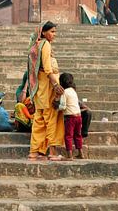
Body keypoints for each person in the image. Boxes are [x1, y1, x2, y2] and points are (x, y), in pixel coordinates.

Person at [27, 21, 65, 161]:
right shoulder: (46, 45)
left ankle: (35, 151)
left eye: (55, 32)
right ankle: (52, 152)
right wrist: (56, 85)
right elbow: (48, 69)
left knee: (39, 119)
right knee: (51, 119)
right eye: (52, 32)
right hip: (48, 87)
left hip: (38, 88)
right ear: (43, 32)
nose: (53, 35)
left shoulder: (36, 45)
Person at [56, 73, 84, 160]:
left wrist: (57, 108)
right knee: (78, 135)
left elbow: (63, 107)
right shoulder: (73, 91)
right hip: (78, 116)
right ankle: (80, 153)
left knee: (68, 136)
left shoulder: (64, 92)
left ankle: (69, 156)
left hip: (70, 118)